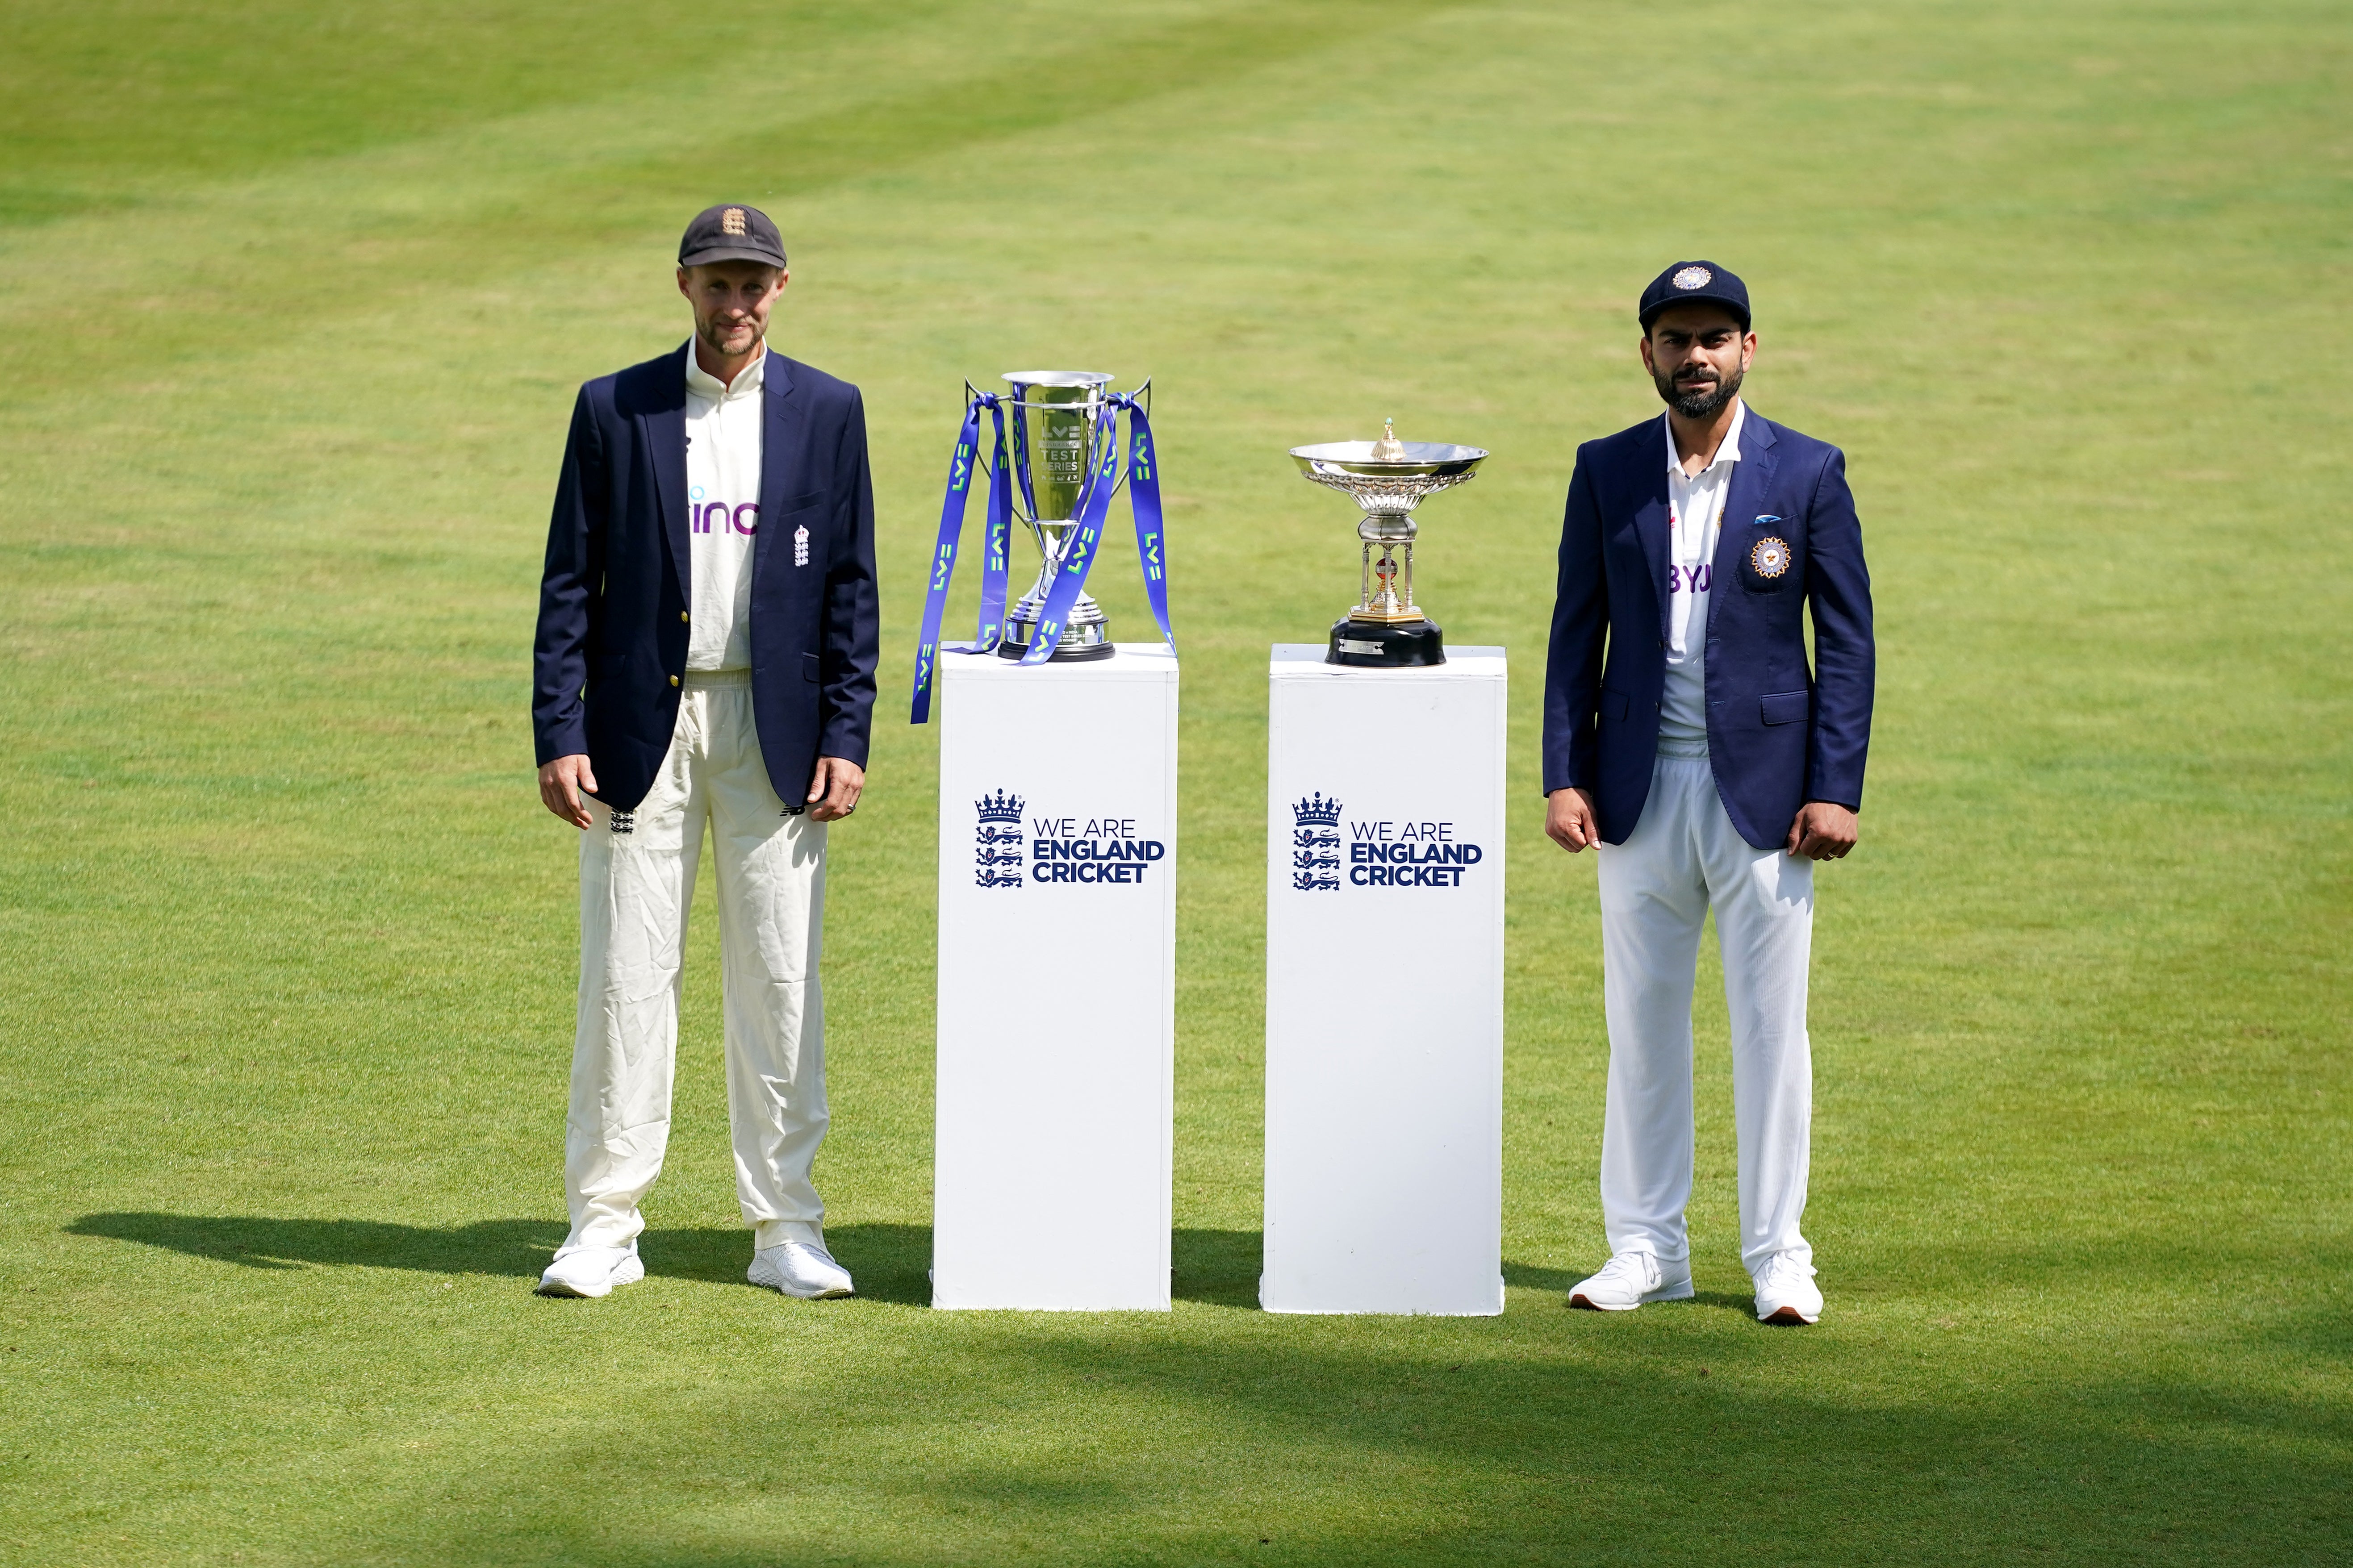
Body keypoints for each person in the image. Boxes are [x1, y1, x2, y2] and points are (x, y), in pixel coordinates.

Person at [529, 204, 878, 1301]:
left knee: (779, 980)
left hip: (776, 736)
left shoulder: (827, 410)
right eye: (717, 284)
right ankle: (604, 1224)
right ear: (684, 286)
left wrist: (846, 734)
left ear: (782, 290)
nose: (736, 305)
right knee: (627, 976)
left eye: (753, 285)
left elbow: (851, 587)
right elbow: (569, 582)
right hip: (644, 731)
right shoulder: (615, 406)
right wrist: (559, 729)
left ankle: (785, 1228)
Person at [1541, 261, 1873, 1325]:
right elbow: (1572, 632)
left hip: (1769, 801)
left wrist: (1836, 786)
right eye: (1676, 339)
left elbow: (1849, 642)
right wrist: (1563, 772)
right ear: (1645, 352)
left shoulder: (1807, 470)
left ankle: (1779, 1253)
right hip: (1640, 789)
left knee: (1772, 1030)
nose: (1696, 357)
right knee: (1640, 1025)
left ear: (1748, 350)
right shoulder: (1607, 469)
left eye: (1715, 338)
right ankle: (1645, 1248)